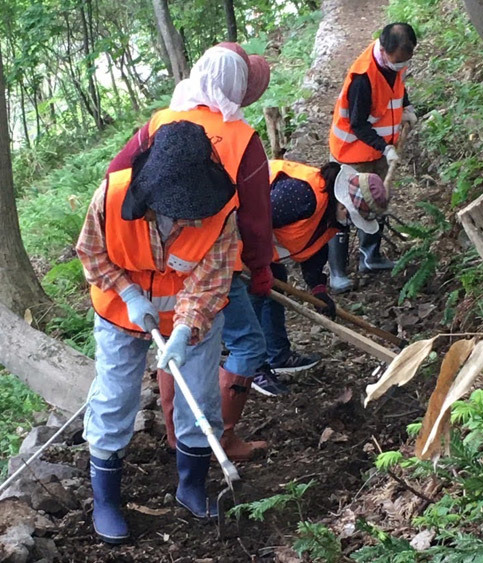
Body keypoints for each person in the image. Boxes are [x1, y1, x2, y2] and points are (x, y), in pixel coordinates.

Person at [107, 43, 284, 462]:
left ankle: (177, 433)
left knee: (173, 341)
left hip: (158, 261)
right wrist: (261, 269)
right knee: (248, 345)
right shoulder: (244, 140)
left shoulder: (161, 122)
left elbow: (116, 179)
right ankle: (218, 436)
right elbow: (257, 221)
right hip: (214, 261)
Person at [76, 120, 240, 543]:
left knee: (200, 398)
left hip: (194, 322)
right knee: (114, 399)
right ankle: (106, 500)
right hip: (120, 314)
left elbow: (210, 282)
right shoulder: (111, 198)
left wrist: (185, 329)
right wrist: (129, 293)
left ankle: (190, 486)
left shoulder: (220, 212)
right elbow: (92, 254)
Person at [252, 159, 389, 370]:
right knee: (251, 298)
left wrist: (318, 289)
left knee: (275, 284)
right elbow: (252, 221)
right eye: (352, 218)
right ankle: (251, 366)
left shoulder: (331, 215)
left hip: (264, 250)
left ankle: (277, 356)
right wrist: (255, 265)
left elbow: (314, 248)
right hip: (237, 236)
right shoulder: (301, 195)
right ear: (344, 205)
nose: (351, 224)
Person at [327, 22, 418, 291]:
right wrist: (384, 147)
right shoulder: (363, 78)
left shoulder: (394, 64)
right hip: (352, 152)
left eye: (406, 60)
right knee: (345, 208)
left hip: (378, 148)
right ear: (385, 49)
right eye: (398, 60)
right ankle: (337, 272)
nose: (402, 65)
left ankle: (371, 256)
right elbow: (357, 124)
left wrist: (407, 106)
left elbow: (397, 87)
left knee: (377, 200)